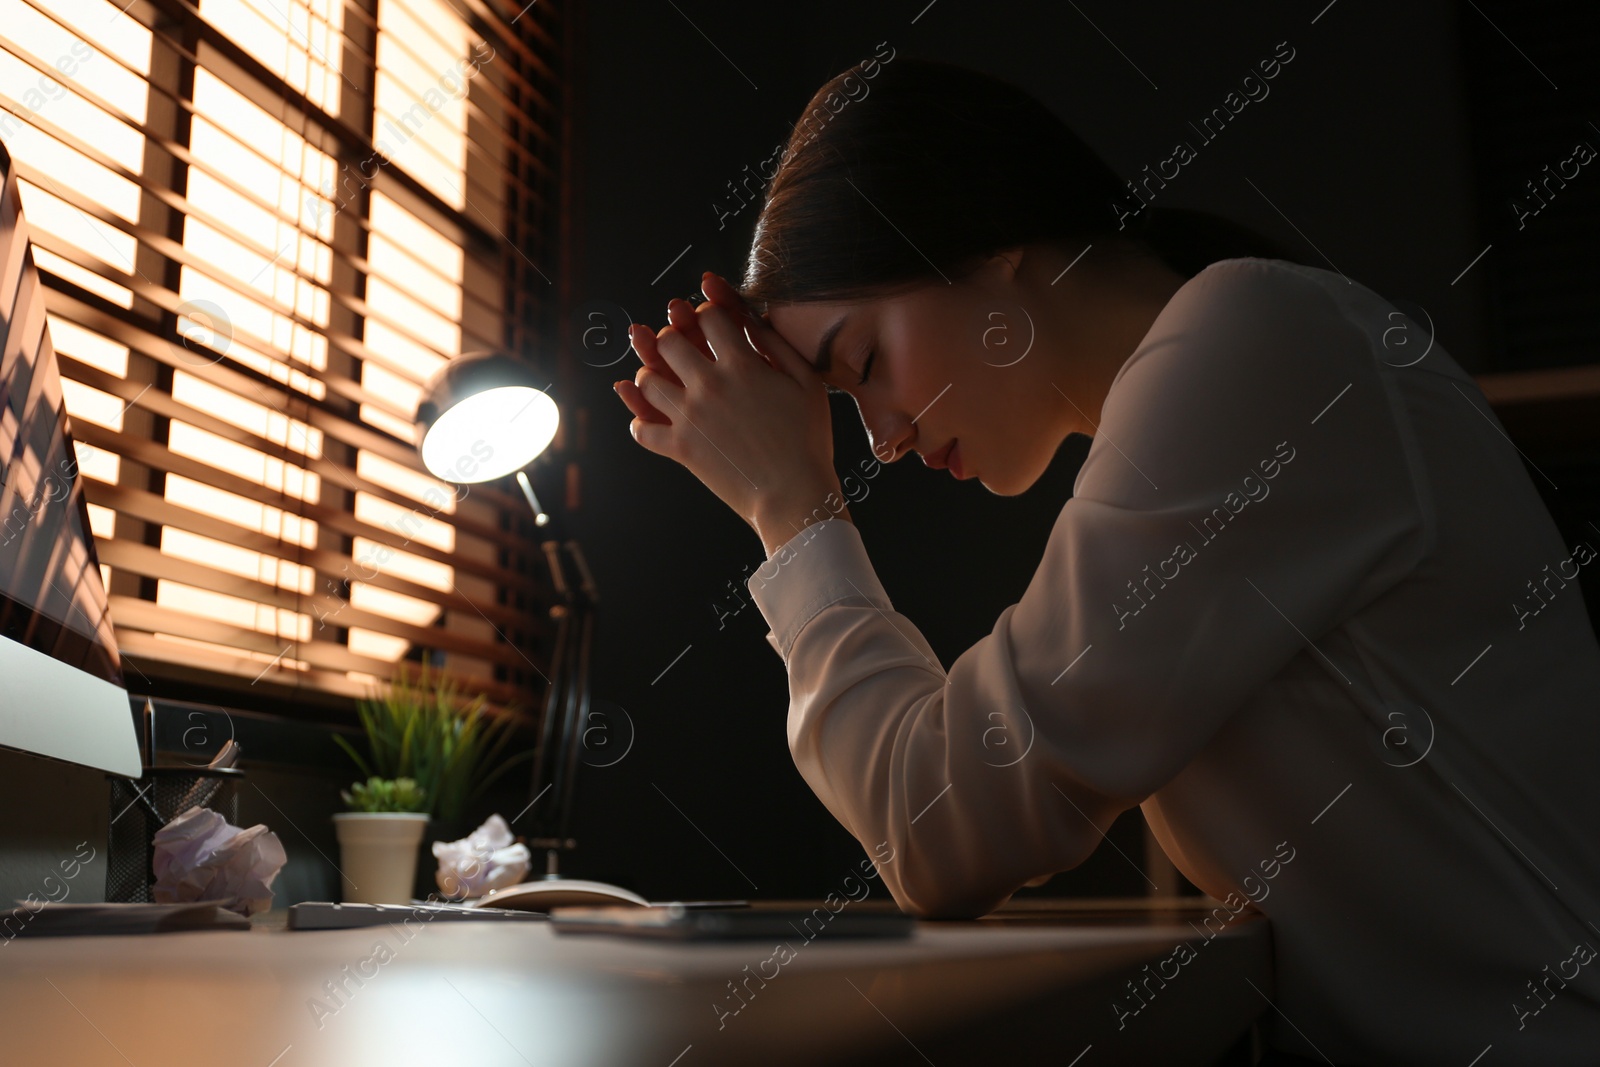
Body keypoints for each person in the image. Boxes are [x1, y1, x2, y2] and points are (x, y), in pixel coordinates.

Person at [610, 58, 1600, 1064]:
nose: (883, 443)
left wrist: (791, 510)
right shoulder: (1235, 356)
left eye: (861, 363)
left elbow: (940, 827)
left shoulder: (1253, 342)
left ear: (989, 239)